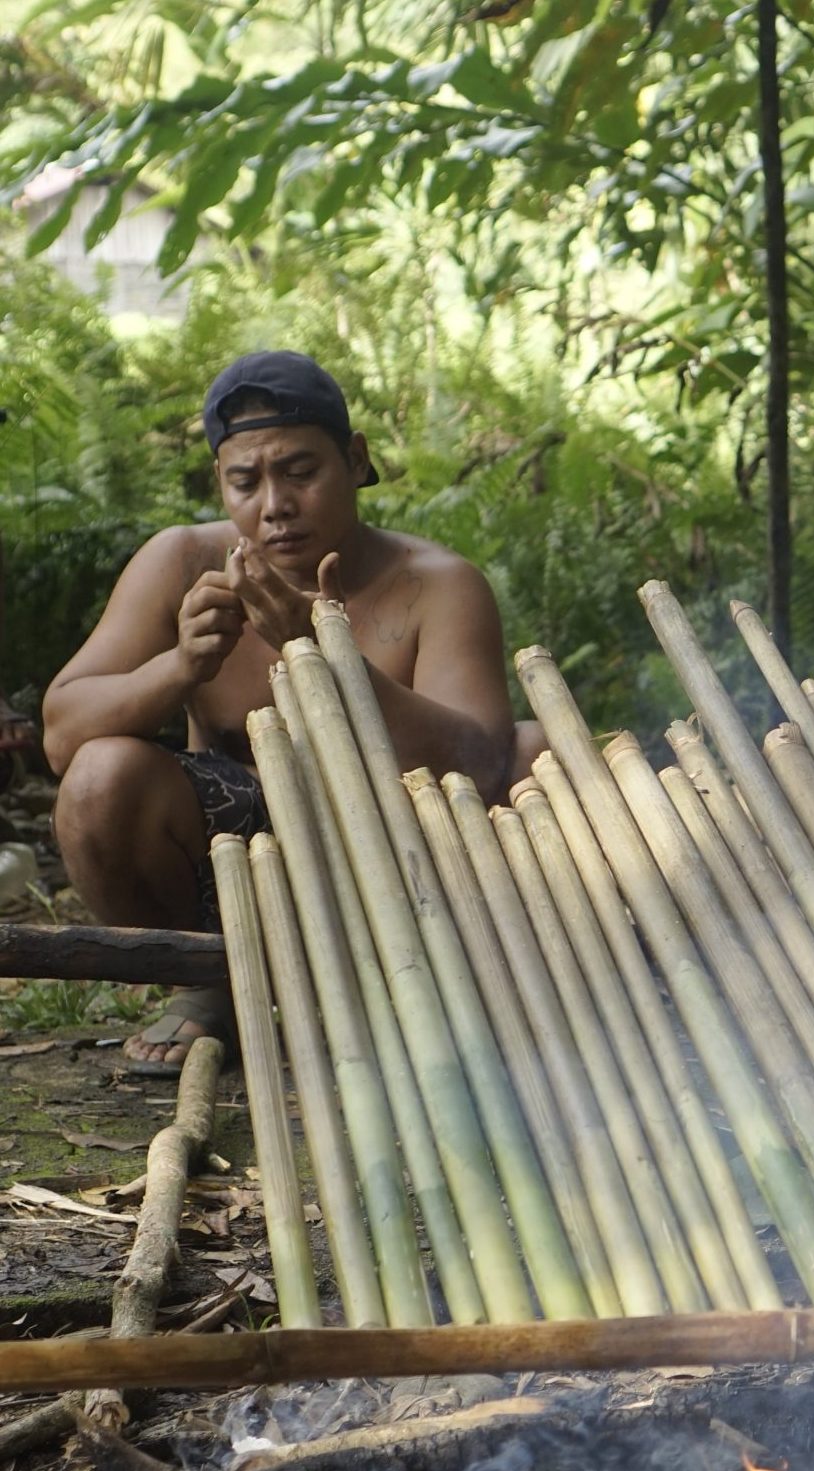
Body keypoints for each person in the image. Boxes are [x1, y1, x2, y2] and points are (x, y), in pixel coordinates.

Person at [43, 352, 517, 1073]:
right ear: (220, 486)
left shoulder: (436, 585)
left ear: (355, 462)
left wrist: (322, 655)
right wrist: (179, 666)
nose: (275, 505)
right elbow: (61, 734)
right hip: (233, 863)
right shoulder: (179, 562)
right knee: (98, 777)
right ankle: (210, 980)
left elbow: (482, 761)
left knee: (545, 754)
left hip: (393, 856)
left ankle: (422, 982)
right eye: (246, 481)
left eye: (300, 471)